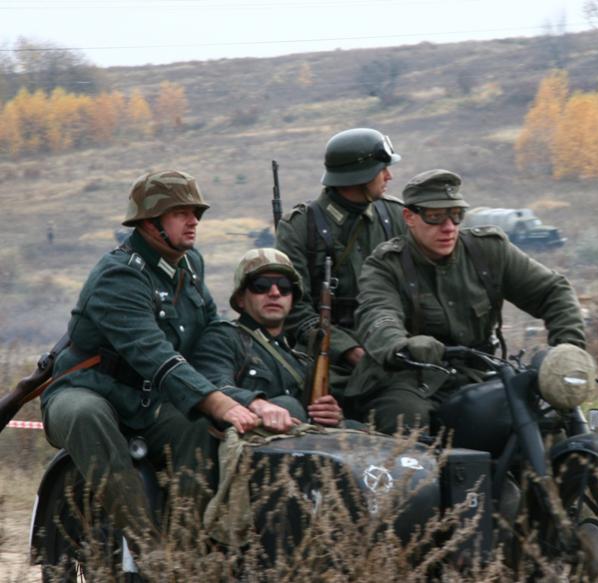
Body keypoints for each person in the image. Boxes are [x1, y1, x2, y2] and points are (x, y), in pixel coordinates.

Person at [40, 170, 261, 550]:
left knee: (197, 427)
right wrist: (219, 402)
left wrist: (241, 392)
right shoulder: (118, 275)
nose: (193, 221)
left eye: (195, 212)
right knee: (86, 415)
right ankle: (148, 547)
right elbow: (154, 355)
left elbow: (211, 329)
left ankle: (192, 551)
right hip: (88, 388)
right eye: (180, 213)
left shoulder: (189, 265)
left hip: (146, 400)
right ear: (149, 222)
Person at [349, 169, 588, 434]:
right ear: (409, 217)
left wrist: (568, 349)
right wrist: (402, 346)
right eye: (435, 217)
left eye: (456, 215)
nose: (448, 227)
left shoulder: (488, 251)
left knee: (542, 419)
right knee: (407, 422)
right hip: (405, 378)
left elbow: (553, 291)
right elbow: (378, 316)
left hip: (475, 374)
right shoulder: (385, 265)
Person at [275, 128, 405, 409]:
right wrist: (348, 350)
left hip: (389, 349)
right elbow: (294, 310)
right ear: (360, 176)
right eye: (382, 169)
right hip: (326, 359)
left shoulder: (395, 216)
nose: (389, 176)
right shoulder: (300, 227)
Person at [191, 248, 344, 430]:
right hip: (250, 439)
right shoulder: (223, 338)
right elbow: (214, 386)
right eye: (261, 285)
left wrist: (334, 416)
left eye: (284, 286)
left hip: (302, 440)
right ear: (240, 298)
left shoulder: (300, 360)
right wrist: (256, 404)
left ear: (292, 299)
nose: (275, 292)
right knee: (289, 405)